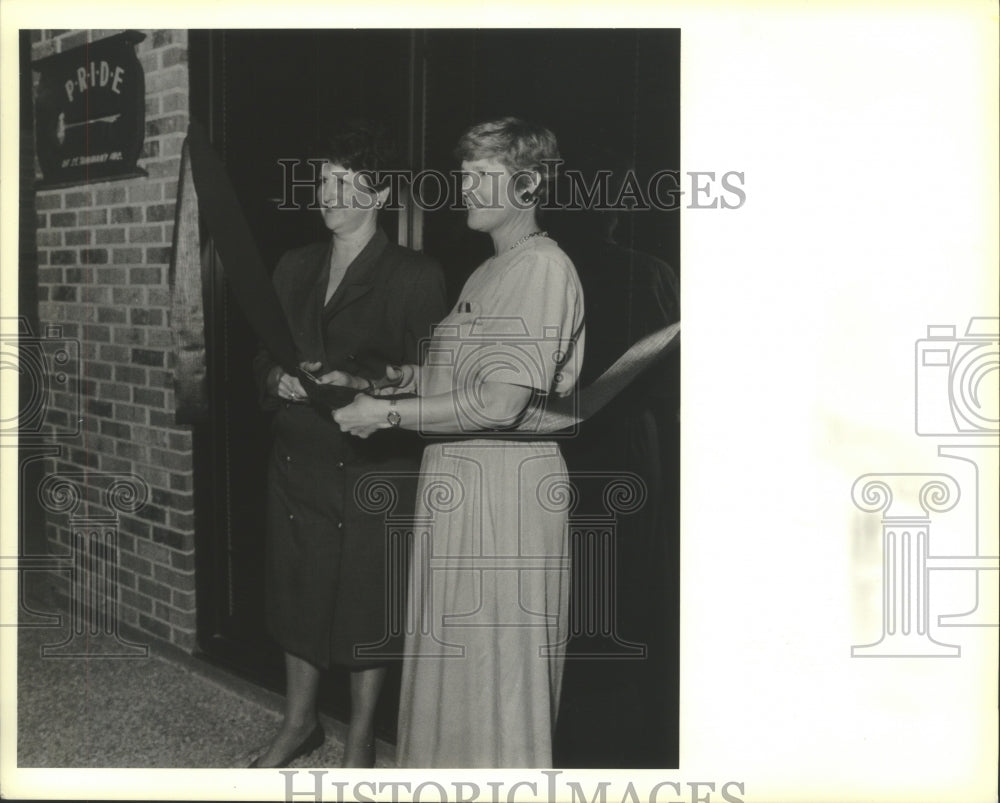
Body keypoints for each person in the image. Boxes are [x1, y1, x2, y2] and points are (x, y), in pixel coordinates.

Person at [333, 117, 585, 767]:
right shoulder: (486, 273)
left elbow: (502, 404)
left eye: (481, 175)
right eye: (464, 172)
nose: (464, 186)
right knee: (455, 664)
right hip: (461, 484)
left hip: (504, 495)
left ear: (526, 185)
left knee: (496, 672)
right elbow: (464, 377)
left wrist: (388, 417)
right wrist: (395, 381)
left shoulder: (542, 267)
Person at [249, 121, 447, 768]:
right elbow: (263, 353)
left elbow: (430, 383)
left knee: (368, 604)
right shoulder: (294, 265)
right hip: (297, 458)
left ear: (380, 192)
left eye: (342, 181)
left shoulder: (415, 276)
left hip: (371, 467)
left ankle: (360, 738)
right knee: (295, 588)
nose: (325, 192)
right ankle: (299, 721)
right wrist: (272, 377)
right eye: (323, 178)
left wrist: (365, 385)